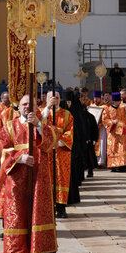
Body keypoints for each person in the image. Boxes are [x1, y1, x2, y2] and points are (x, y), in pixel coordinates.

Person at [0, 92, 58, 253]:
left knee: (35, 211)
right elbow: (2, 151)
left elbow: (52, 142)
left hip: (38, 176)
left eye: (31, 105)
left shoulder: (43, 125)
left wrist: (38, 125)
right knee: (19, 214)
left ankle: (35, 249)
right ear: (18, 107)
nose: (27, 108)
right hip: (17, 178)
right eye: (24, 104)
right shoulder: (9, 126)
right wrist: (21, 158)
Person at [44, 90, 75, 218]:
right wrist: (47, 108)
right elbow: (39, 125)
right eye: (51, 98)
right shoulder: (42, 112)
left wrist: (60, 143)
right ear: (46, 99)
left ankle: (61, 208)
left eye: (56, 98)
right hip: (46, 152)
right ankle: (47, 208)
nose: (54, 100)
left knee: (61, 179)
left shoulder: (66, 114)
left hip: (61, 152)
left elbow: (70, 131)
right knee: (47, 178)